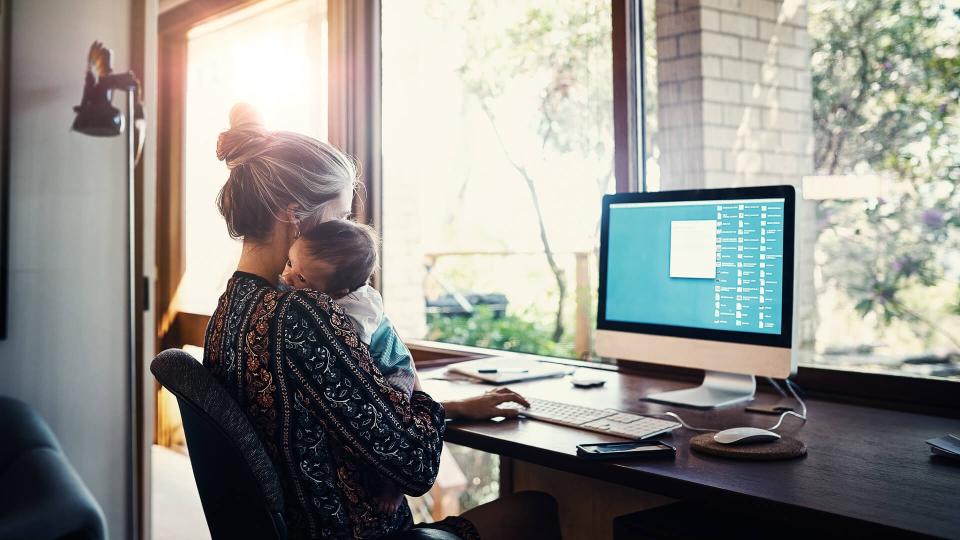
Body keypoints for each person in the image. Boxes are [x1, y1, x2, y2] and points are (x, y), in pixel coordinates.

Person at [203, 104, 562, 540]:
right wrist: (424, 402)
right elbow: (415, 466)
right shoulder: (301, 315)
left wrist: (455, 408)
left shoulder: (231, 309)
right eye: (338, 218)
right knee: (536, 509)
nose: (344, 234)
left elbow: (328, 416)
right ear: (292, 214)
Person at [279, 218, 415, 513]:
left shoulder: (358, 309)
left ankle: (396, 486)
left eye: (301, 279)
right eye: (290, 263)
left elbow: (351, 350)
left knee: (394, 420)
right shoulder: (323, 291)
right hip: (380, 365)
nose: (287, 276)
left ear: (338, 291)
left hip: (395, 369)